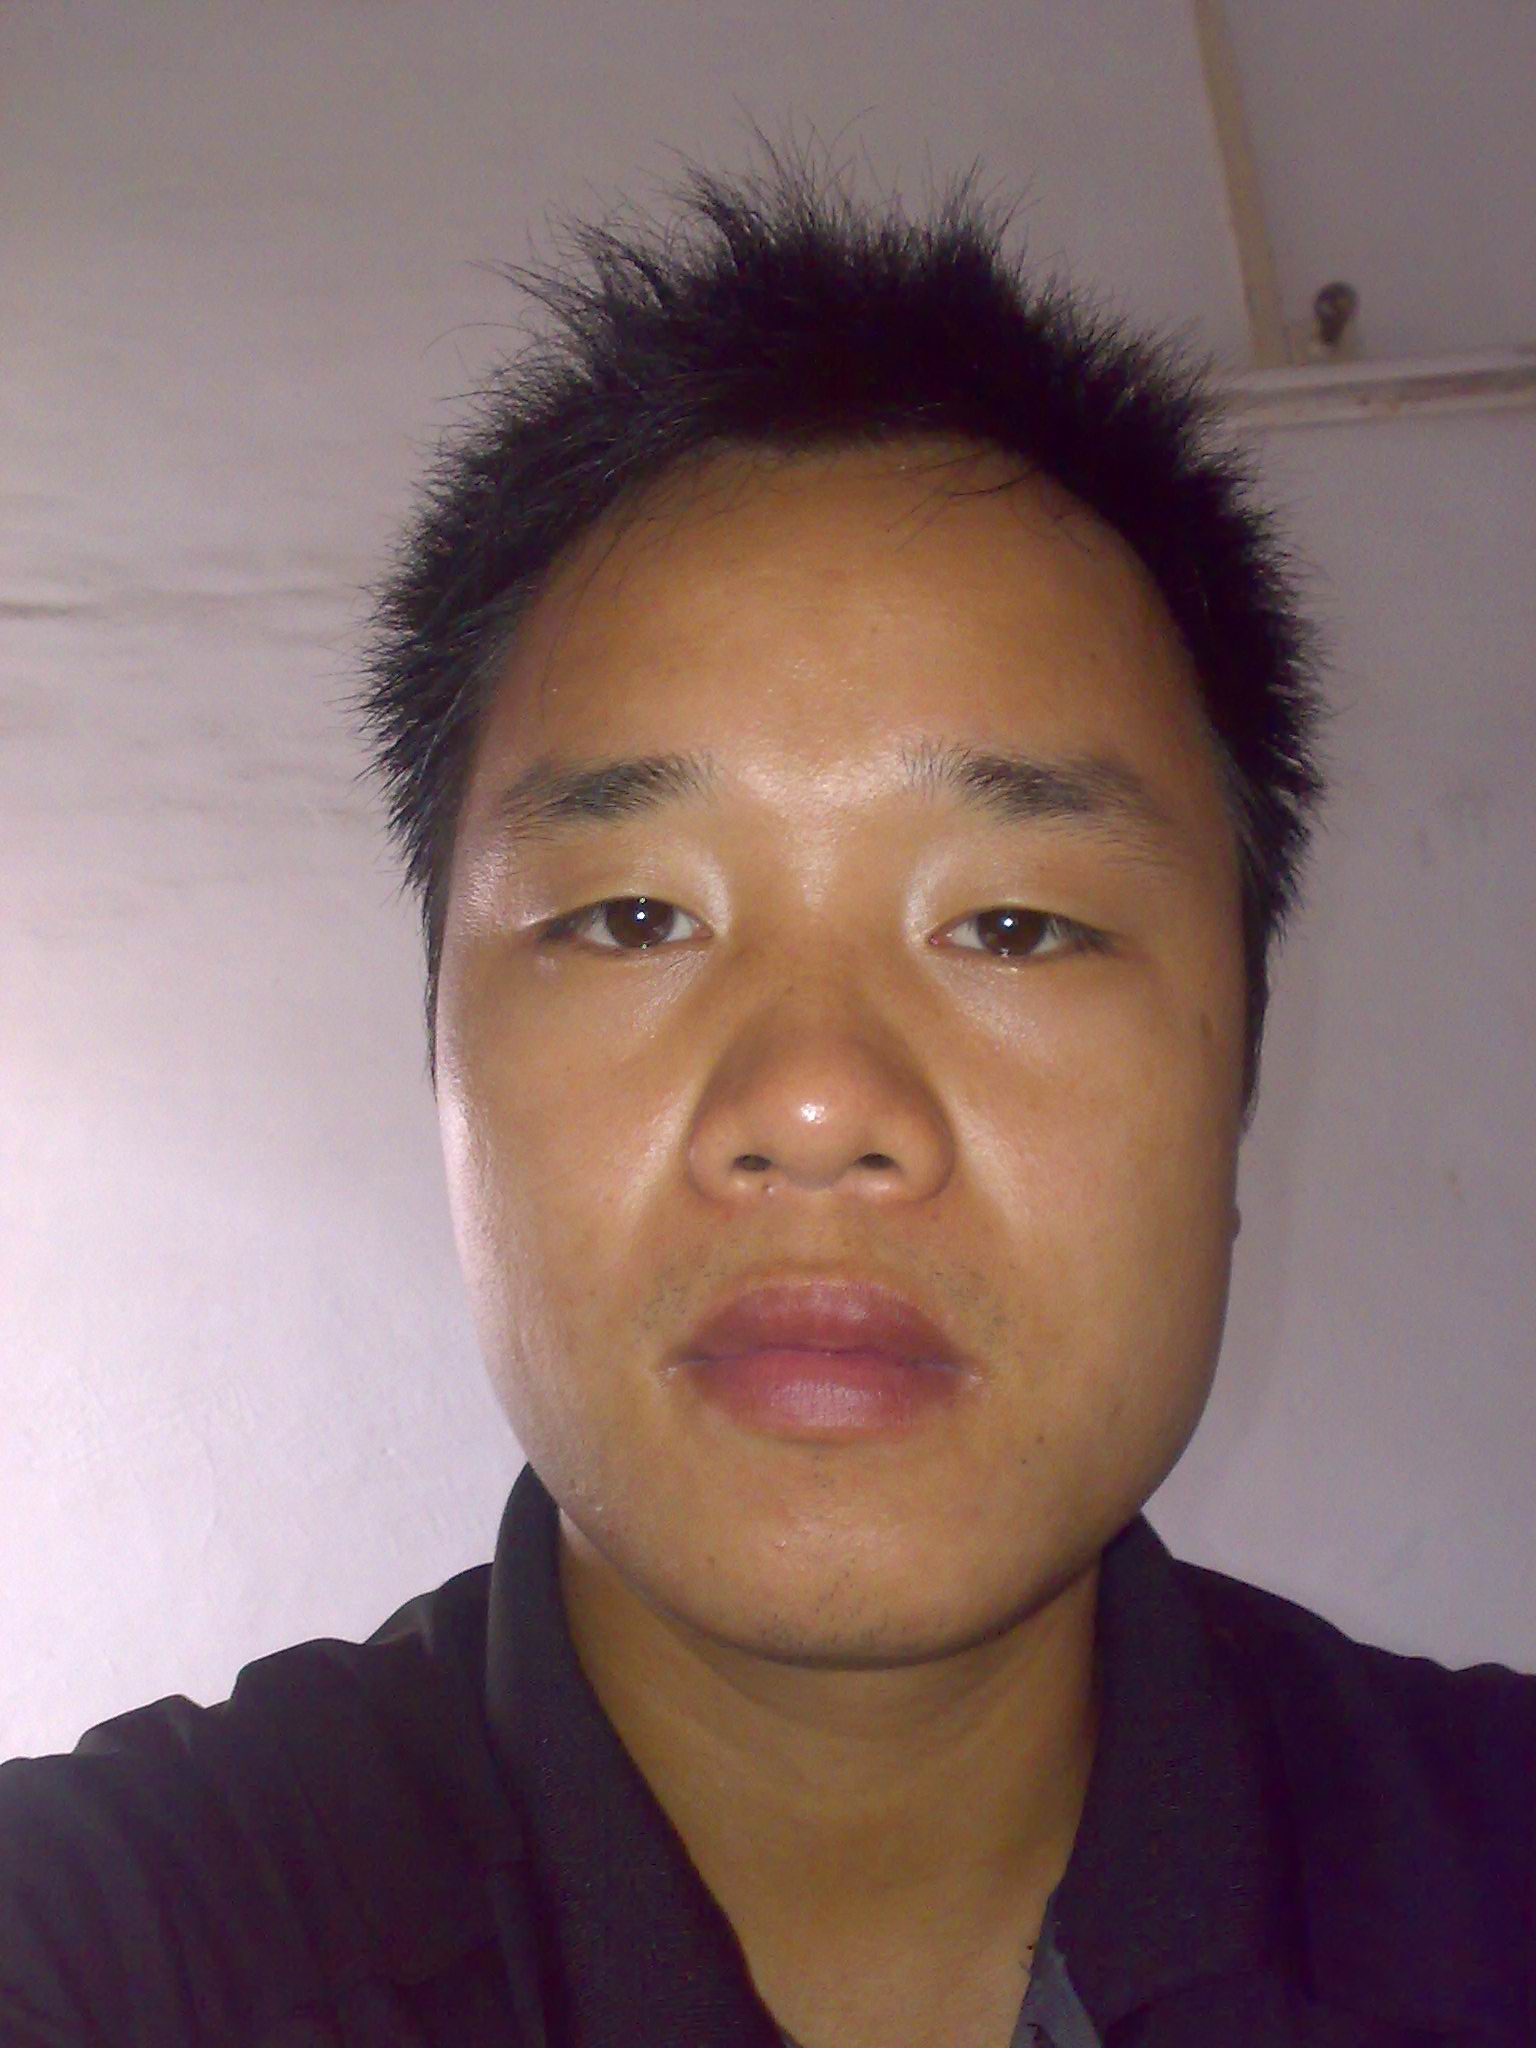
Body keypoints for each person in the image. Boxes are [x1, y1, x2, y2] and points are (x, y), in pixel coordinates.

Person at [2, 158, 1530, 2048]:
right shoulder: (108, 1955)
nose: (812, 1103)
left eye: (1016, 924)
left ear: (1238, 1086)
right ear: (444, 1064)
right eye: (635, 917)